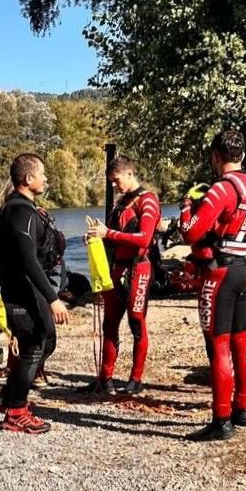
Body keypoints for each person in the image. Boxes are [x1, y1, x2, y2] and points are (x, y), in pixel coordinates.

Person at [180, 129, 246, 441]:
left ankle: (221, 420)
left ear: (215, 157)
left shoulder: (222, 189)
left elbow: (191, 234)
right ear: (243, 156)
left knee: (219, 344)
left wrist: (185, 208)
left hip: (222, 272)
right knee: (239, 339)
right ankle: (243, 409)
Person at [0, 154, 70, 434]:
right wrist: (53, 298)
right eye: (42, 174)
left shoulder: (19, 210)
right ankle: (16, 413)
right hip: (21, 291)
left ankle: (7, 397)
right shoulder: (19, 213)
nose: (46, 178)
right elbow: (28, 261)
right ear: (28, 179)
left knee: (46, 343)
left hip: (28, 289)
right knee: (35, 344)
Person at [85, 157, 161, 395]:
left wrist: (108, 232)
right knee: (110, 322)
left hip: (139, 267)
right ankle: (105, 378)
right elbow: (111, 236)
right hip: (117, 268)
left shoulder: (147, 201)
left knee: (136, 319)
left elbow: (145, 239)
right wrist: (96, 237)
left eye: (116, 181)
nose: (115, 186)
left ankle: (135, 379)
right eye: (111, 182)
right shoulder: (121, 203)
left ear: (129, 174)